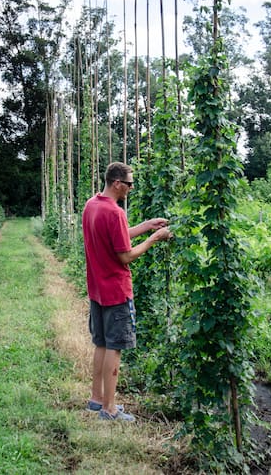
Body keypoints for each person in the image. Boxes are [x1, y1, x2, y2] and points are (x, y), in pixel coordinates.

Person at [82, 161, 173, 421]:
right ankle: (110, 410)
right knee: (115, 347)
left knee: (100, 343)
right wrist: (154, 238)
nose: (132, 188)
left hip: (97, 289)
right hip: (116, 290)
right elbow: (125, 255)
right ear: (117, 183)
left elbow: (114, 237)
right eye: (130, 184)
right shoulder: (115, 212)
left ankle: (97, 400)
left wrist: (146, 225)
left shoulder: (92, 206)